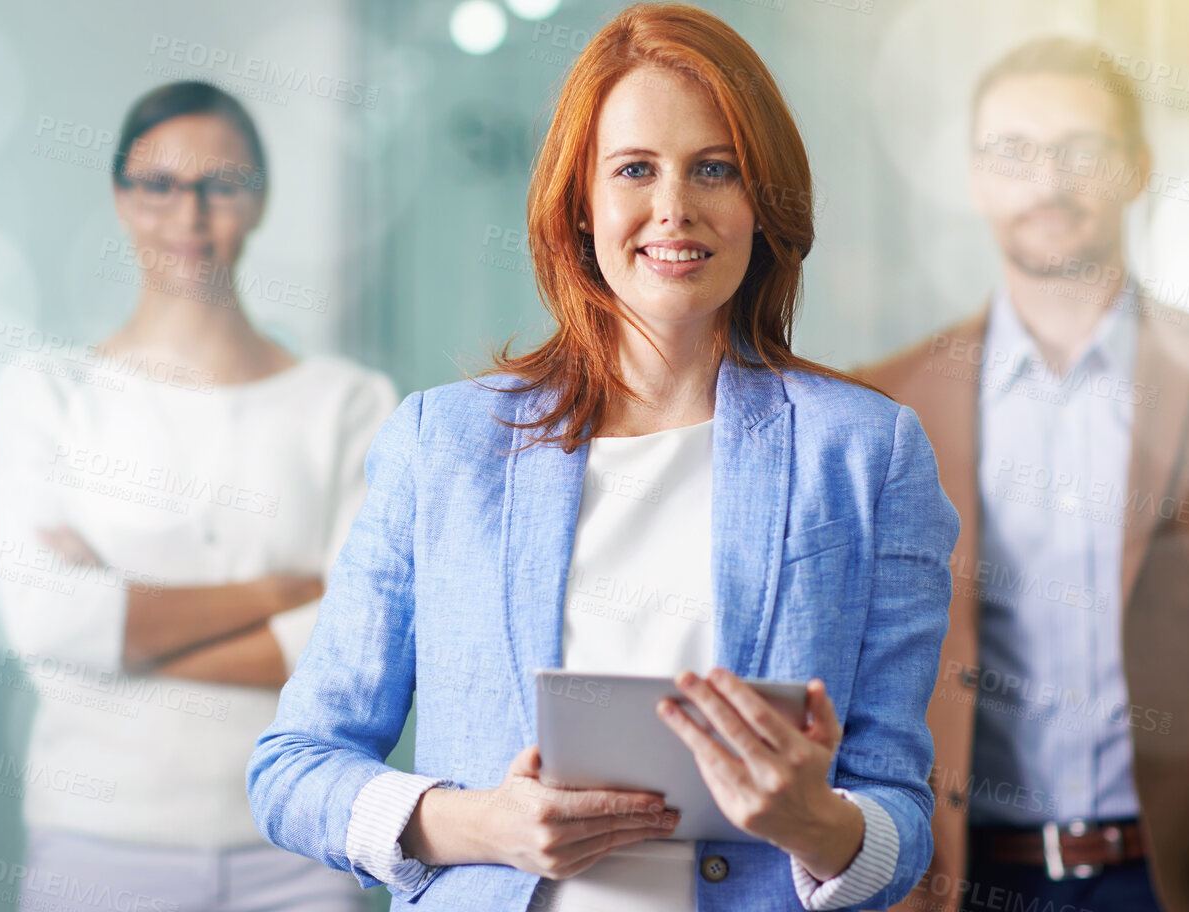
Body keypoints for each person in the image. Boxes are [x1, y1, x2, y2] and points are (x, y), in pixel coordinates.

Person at [246, 5, 957, 910]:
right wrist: (483, 824)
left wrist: (812, 821)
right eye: (633, 169)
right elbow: (291, 769)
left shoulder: (865, 453)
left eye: (715, 169)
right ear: (581, 203)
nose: (674, 209)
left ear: (761, 203)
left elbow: (898, 817)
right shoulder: (444, 446)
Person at [860, 36, 1189, 912]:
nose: (1048, 183)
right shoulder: (889, 402)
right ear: (976, 179)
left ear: (1137, 169)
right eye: (1012, 152)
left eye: (1082, 151)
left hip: (1186, 880)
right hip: (959, 880)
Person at [0, 81, 398, 912]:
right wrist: (280, 596)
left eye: (220, 185)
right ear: (120, 199)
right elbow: (47, 623)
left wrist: (121, 632)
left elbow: (349, 651)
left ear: (258, 199)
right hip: (95, 847)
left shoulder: (349, 403)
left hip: (297, 843)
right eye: (159, 186)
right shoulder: (49, 392)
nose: (190, 214)